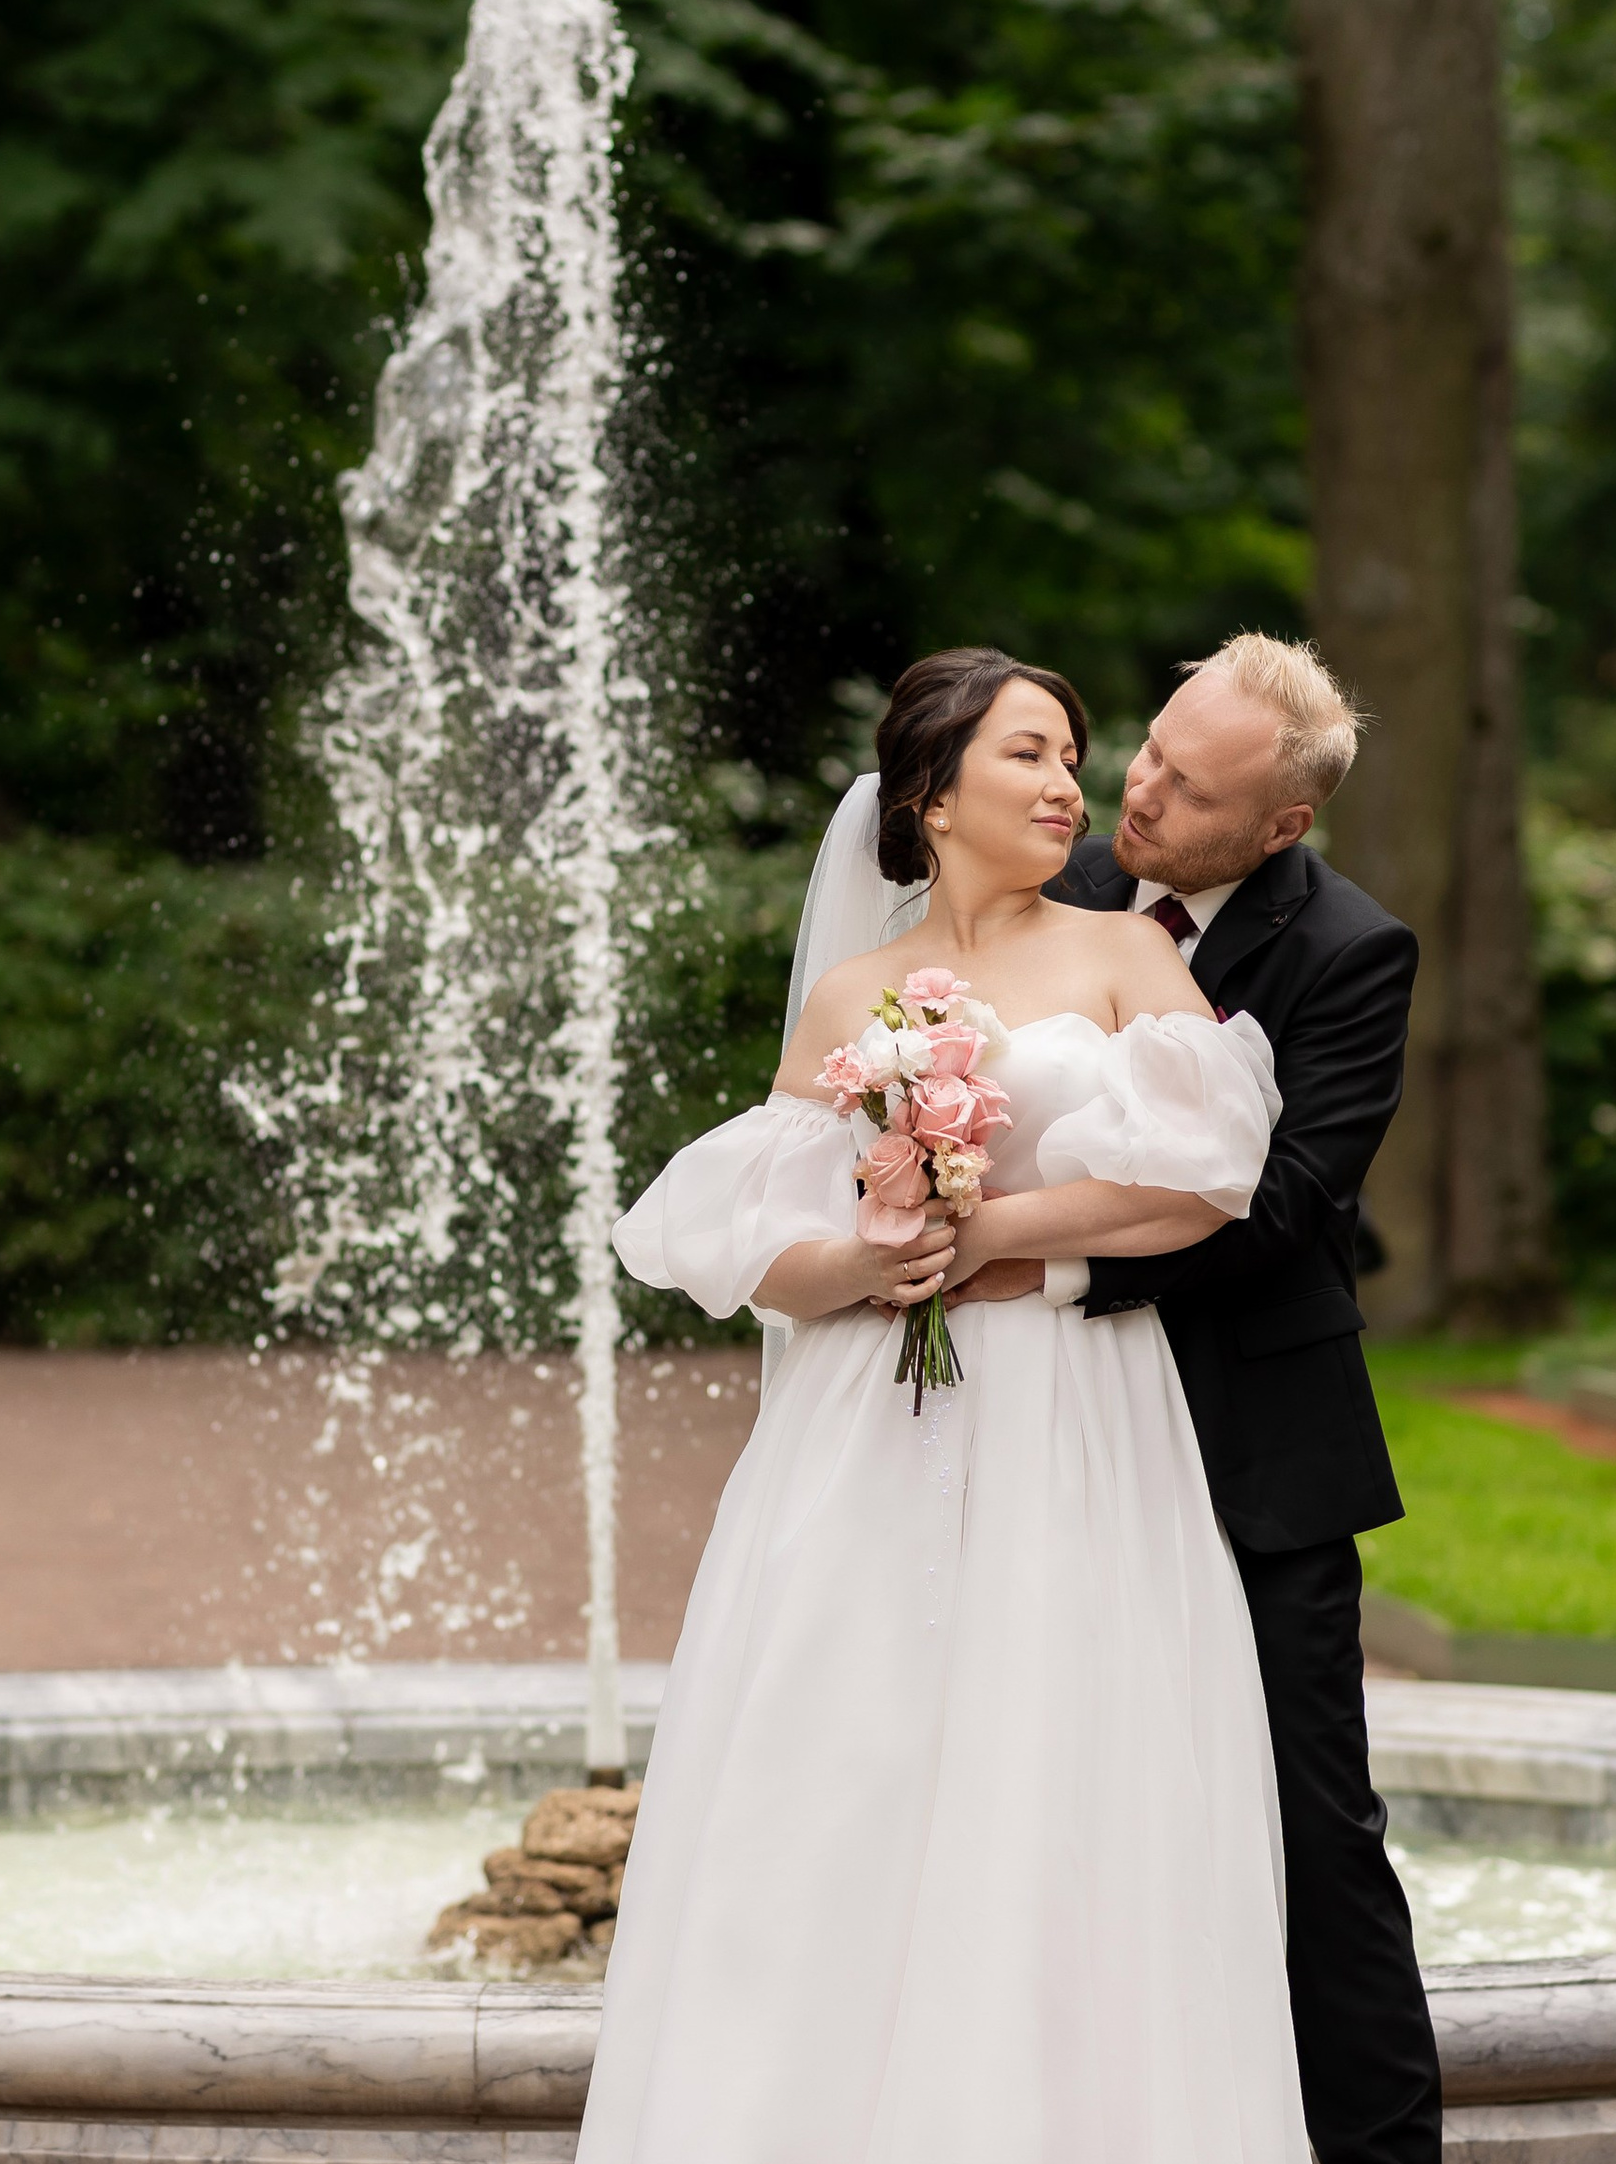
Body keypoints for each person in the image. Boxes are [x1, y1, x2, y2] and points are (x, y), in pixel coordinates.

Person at [580, 646, 1312, 2164]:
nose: (1070, 788)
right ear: (932, 792)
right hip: (865, 1424)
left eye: (1071, 758)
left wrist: (990, 1234)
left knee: (1061, 1759)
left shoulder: (1123, 957)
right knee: (843, 1754)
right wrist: (874, 1253)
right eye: (1030, 757)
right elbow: (760, 1245)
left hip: (1073, 1410)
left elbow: (1198, 1192)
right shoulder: (854, 992)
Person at [961, 632, 1443, 2164]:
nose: (1138, 794)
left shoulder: (1351, 952)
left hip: (1256, 1453)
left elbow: (1293, 1200)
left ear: (1281, 827)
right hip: (1041, 1437)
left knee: (1311, 1826)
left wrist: (1047, 1270)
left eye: (1187, 785)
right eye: (1150, 749)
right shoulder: (1052, 888)